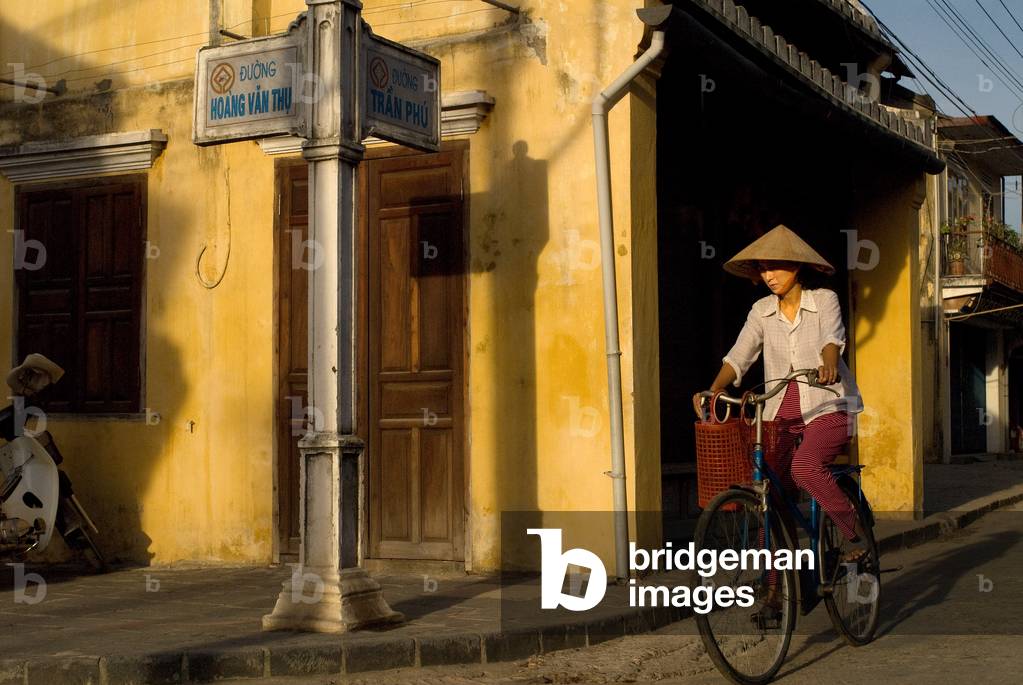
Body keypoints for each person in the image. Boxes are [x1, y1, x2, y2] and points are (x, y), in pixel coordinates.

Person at [693, 224, 867, 609]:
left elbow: (832, 339)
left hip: (828, 405)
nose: (768, 275)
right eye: (763, 268)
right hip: (778, 414)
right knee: (767, 494)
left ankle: (853, 531)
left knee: (805, 467)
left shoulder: (824, 300)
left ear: (797, 267)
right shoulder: (761, 311)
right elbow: (739, 356)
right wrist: (715, 389)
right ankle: (775, 586)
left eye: (775, 266)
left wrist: (828, 365)